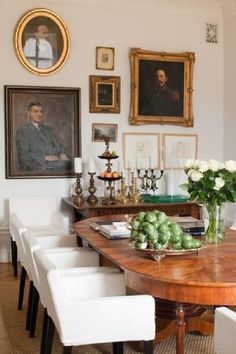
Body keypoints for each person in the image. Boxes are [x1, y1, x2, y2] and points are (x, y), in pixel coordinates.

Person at [16, 102, 70, 171]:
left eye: (41, 112)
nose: (39, 114)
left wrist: (62, 154)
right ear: (29, 113)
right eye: (36, 111)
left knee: (70, 164)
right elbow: (23, 155)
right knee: (66, 166)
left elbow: (58, 145)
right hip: (37, 165)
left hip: (55, 162)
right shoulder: (23, 131)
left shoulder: (48, 130)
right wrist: (45, 158)